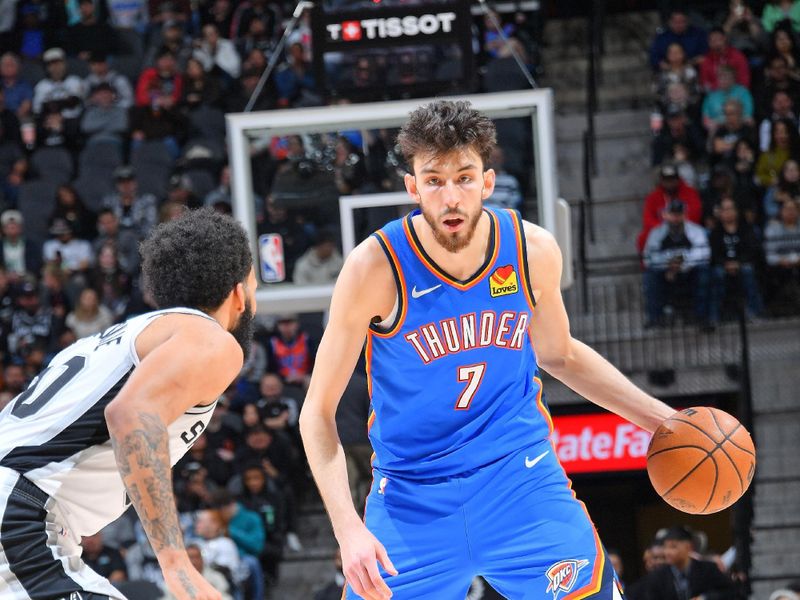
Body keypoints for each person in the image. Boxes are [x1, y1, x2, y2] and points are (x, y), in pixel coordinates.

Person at [300, 100, 674, 599]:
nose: (450, 196)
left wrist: (662, 419)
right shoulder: (375, 268)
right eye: (433, 180)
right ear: (412, 187)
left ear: (488, 181)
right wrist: (348, 531)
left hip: (520, 482)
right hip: (412, 500)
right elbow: (316, 414)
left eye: (464, 177)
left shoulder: (531, 250)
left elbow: (559, 354)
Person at [0, 207, 257, 599]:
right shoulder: (211, 339)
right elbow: (129, 414)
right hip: (20, 515)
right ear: (239, 293)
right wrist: (176, 563)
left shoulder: (128, 335)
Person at [642, 200, 711, 327]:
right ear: (665, 215)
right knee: (650, 276)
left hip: (690, 270)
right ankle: (655, 318)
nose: (675, 218)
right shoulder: (657, 233)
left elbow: (703, 253)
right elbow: (649, 257)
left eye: (678, 214)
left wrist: (682, 265)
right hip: (665, 272)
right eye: (672, 214)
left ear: (684, 214)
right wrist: (668, 265)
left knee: (703, 272)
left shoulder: (696, 231)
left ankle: (701, 316)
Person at [641, 526, 734, 599]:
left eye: (673, 547)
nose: (668, 552)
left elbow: (729, 592)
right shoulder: (657, 576)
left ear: (688, 547)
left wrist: (704, 597)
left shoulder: (708, 569)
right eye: (665, 547)